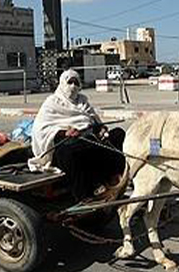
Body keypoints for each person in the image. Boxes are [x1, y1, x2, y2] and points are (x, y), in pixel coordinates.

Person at [29, 69, 125, 199]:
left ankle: (114, 178)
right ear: (62, 83)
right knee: (72, 151)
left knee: (118, 134)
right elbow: (40, 129)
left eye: (76, 82)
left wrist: (101, 129)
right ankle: (83, 196)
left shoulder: (82, 101)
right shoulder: (52, 102)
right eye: (70, 82)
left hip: (89, 139)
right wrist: (64, 133)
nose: (73, 86)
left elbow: (93, 121)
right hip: (63, 145)